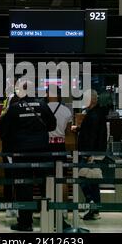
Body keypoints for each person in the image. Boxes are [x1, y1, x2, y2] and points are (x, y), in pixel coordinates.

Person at [0, 81, 56, 232]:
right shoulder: (43, 106)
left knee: (24, 188)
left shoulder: (14, 108)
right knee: (46, 187)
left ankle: (25, 223)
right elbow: (52, 125)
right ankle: (52, 219)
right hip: (43, 152)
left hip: (21, 153)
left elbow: (4, 132)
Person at [72, 90, 107, 221]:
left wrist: (88, 154)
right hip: (95, 152)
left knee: (83, 179)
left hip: (90, 153)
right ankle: (94, 209)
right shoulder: (96, 113)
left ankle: (91, 204)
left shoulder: (93, 115)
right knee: (93, 181)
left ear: (92, 100)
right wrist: (80, 129)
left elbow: (91, 136)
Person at [47, 88, 73, 228]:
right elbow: (68, 132)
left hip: (46, 146)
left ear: (47, 95)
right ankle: (62, 209)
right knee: (61, 178)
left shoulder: (43, 109)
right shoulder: (66, 111)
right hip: (60, 145)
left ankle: (49, 207)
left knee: (48, 177)